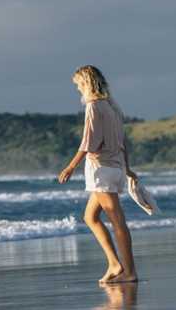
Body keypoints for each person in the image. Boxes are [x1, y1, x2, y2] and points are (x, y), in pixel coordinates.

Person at [58, 65, 139, 284]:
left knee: (118, 221)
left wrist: (70, 166)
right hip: (115, 168)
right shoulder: (112, 106)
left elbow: (88, 143)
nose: (78, 90)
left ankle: (130, 272)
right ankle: (114, 264)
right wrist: (128, 168)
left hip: (101, 169)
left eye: (78, 85)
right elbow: (123, 142)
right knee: (90, 217)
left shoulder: (94, 106)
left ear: (87, 83)